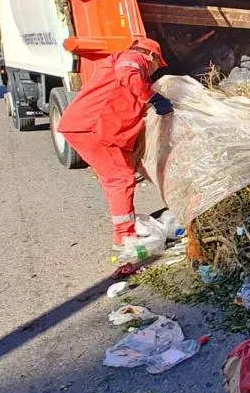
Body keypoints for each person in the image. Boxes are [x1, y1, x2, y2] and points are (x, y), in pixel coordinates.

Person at [58, 36, 175, 250]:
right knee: (120, 180)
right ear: (151, 56)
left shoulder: (130, 64)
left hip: (94, 128)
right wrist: (153, 98)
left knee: (118, 176)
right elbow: (128, 75)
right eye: (157, 66)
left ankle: (125, 231)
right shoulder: (132, 58)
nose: (154, 71)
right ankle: (124, 239)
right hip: (93, 128)